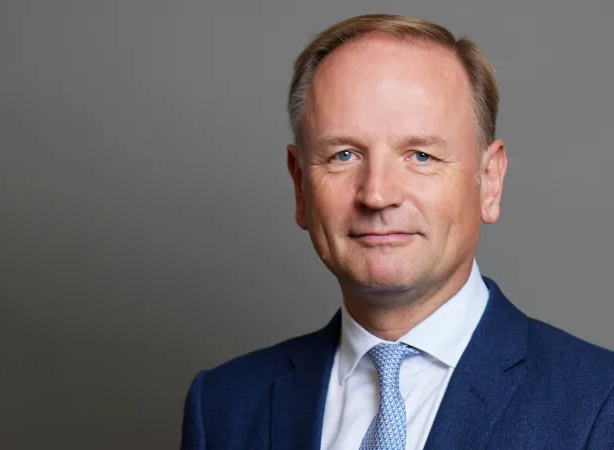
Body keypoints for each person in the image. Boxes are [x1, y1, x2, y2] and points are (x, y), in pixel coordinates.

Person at [180, 13, 614, 450]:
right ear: (300, 186)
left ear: (490, 181)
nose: (377, 194)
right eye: (344, 155)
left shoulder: (599, 402)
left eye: (421, 156)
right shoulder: (222, 407)